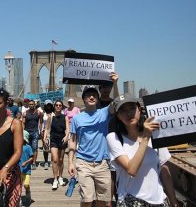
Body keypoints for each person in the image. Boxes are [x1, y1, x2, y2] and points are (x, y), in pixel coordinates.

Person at [106, 94, 177, 207]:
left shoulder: (155, 133)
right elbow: (131, 169)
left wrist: (174, 202)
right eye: (123, 110)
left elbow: (164, 171)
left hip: (159, 200)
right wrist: (145, 138)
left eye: (132, 108)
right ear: (118, 116)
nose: (129, 113)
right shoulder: (114, 138)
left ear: (139, 110)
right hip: (131, 200)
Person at [68, 72, 118, 207]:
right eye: (88, 95)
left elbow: (118, 103)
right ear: (83, 99)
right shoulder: (77, 118)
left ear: (97, 98)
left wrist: (115, 83)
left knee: (103, 200)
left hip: (102, 163)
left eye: (94, 95)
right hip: (84, 162)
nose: (91, 96)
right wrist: (70, 162)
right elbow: (72, 141)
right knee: (87, 199)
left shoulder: (104, 112)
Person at [44, 100, 69, 190]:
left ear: (62, 107)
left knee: (61, 160)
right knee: (55, 160)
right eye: (57, 105)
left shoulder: (65, 117)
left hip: (62, 139)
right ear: (54, 106)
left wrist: (66, 137)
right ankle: (55, 179)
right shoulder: (50, 117)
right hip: (53, 139)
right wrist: (44, 138)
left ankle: (61, 177)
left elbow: (67, 129)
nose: (58, 106)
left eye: (60, 105)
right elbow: (47, 128)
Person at [22, 100, 43, 170]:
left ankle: (34, 162)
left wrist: (40, 131)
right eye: (30, 104)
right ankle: (28, 162)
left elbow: (41, 122)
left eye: (32, 104)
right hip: (27, 132)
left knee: (35, 147)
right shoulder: (25, 113)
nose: (31, 105)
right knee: (27, 147)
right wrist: (22, 131)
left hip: (35, 132)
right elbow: (23, 123)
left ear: (34, 105)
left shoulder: (39, 112)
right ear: (28, 105)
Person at [19, 130, 34, 206]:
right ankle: (19, 200)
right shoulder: (17, 147)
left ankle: (28, 194)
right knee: (19, 186)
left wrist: (26, 162)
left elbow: (32, 157)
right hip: (19, 170)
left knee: (26, 184)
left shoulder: (28, 147)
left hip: (27, 170)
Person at [40, 99, 54, 170]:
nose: (49, 106)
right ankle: (46, 161)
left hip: (53, 132)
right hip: (45, 132)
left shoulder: (54, 113)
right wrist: (41, 131)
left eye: (50, 105)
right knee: (45, 148)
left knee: (53, 148)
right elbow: (41, 123)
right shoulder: (43, 114)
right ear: (45, 106)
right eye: (47, 105)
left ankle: (52, 161)